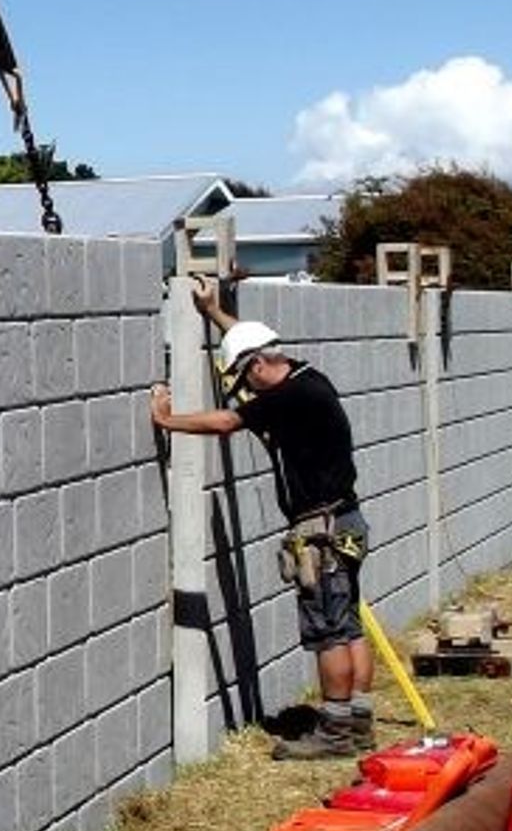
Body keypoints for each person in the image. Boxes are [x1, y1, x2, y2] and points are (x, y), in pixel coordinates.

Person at [151, 280, 374, 759]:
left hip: (321, 532)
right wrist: (215, 313)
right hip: (347, 521)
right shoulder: (308, 376)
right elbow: (247, 343)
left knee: (328, 631)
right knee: (350, 624)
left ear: (257, 366)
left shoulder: (287, 398)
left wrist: (169, 421)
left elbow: (226, 424)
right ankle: (358, 722)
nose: (244, 390)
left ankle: (335, 734)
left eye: (243, 379)